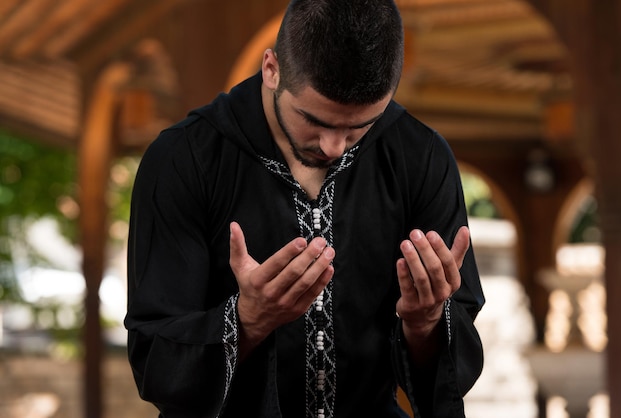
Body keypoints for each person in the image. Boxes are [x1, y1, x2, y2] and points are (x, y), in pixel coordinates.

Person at [124, 0, 485, 417]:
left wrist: (425, 322)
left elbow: (449, 377)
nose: (335, 147)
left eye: (360, 127)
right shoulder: (182, 158)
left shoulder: (420, 156)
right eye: (315, 121)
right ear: (271, 69)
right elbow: (154, 362)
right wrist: (248, 319)